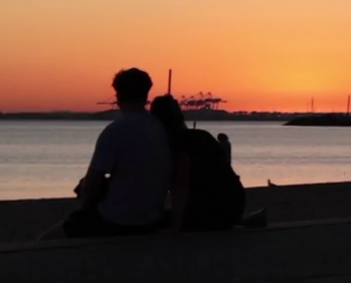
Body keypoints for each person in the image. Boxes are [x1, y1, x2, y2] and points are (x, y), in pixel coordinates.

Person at [53, 68, 172, 237]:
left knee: (50, 237)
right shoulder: (160, 129)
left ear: (117, 95)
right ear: (146, 94)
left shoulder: (114, 131)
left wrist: (86, 210)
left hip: (117, 220)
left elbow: (92, 181)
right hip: (152, 218)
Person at [151, 96, 247, 231]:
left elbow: (181, 183)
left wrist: (176, 223)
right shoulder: (202, 136)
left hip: (213, 209)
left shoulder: (179, 144)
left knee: (156, 221)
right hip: (235, 204)